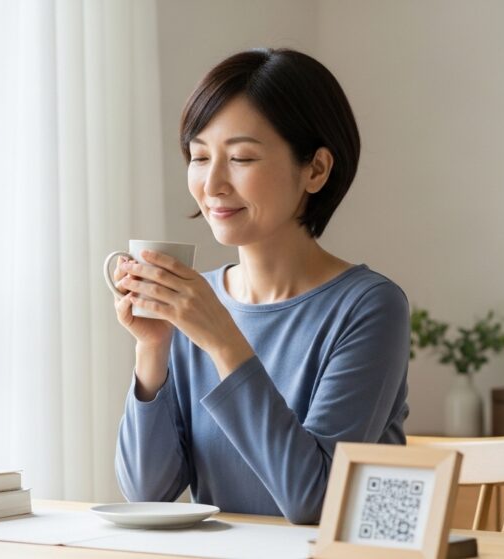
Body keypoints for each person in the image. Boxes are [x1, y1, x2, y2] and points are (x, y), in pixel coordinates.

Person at [111, 47, 409, 525]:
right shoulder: (195, 304)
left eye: (242, 157)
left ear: (315, 169)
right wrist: (153, 350)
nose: (212, 184)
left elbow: (313, 501)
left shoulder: (369, 306)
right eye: (200, 156)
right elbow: (147, 493)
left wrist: (221, 338)